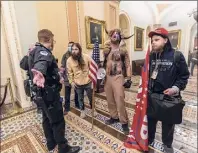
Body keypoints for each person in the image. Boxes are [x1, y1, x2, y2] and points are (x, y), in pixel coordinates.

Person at [28, 29, 80, 153]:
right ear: (49, 39)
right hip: (49, 95)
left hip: (40, 95)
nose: (53, 42)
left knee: (46, 119)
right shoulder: (43, 52)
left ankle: (51, 143)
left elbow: (23, 64)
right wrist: (39, 73)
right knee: (58, 121)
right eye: (53, 40)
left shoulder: (33, 51)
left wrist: (57, 73)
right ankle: (63, 148)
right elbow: (41, 64)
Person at [147, 28, 190, 153]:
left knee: (168, 123)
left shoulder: (177, 56)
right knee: (150, 121)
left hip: (168, 98)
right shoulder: (151, 56)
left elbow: (184, 76)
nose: (153, 42)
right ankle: (149, 139)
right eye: (152, 40)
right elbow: (147, 74)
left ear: (165, 40)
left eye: (156, 39)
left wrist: (175, 88)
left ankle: (167, 144)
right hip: (152, 96)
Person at [103, 28, 133, 134]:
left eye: (117, 34)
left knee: (120, 99)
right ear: (110, 36)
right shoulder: (106, 49)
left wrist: (129, 78)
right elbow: (102, 63)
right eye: (112, 34)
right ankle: (114, 117)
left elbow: (128, 64)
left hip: (118, 77)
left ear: (120, 36)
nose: (114, 35)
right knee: (110, 99)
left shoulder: (123, 50)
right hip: (107, 77)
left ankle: (124, 122)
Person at [67, 43, 96, 118]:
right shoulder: (69, 60)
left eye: (76, 49)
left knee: (91, 97)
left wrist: (92, 79)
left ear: (79, 50)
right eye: (72, 49)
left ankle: (93, 109)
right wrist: (71, 82)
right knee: (80, 98)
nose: (74, 51)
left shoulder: (86, 57)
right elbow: (69, 73)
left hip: (88, 82)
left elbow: (92, 66)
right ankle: (82, 111)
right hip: (78, 83)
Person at [61, 41, 80, 115]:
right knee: (67, 93)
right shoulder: (65, 55)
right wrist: (61, 76)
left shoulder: (78, 55)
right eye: (69, 46)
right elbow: (62, 66)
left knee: (77, 92)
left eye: (71, 46)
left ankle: (77, 104)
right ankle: (67, 107)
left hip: (76, 77)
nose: (70, 47)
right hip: (67, 77)